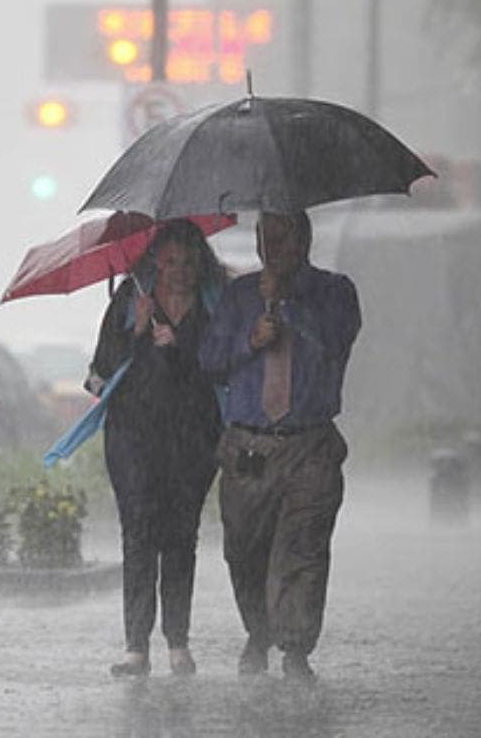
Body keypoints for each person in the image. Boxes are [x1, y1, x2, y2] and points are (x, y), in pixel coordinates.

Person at [199, 210, 361, 682]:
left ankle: (294, 647)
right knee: (244, 550)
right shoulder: (237, 296)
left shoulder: (335, 292)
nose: (273, 248)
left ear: (305, 240)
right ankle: (259, 631)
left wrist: (288, 308)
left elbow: (335, 342)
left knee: (303, 549)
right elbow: (211, 360)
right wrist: (251, 341)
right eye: (264, 238)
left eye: (284, 237)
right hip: (248, 444)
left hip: (308, 444)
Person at [87, 219, 228, 677]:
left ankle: (178, 643)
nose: (179, 271)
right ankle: (135, 646)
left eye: (188, 262)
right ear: (155, 262)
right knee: (139, 533)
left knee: (181, 536)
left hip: (192, 440)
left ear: (200, 263)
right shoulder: (130, 301)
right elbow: (98, 375)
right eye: (169, 262)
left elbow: (227, 365)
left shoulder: (216, 306)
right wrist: (137, 331)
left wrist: (183, 344)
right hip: (133, 438)